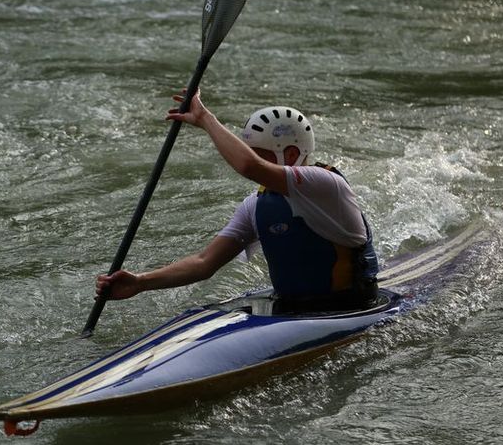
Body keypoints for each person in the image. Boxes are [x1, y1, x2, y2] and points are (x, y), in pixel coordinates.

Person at [95, 89, 380, 312]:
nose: (250, 156)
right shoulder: (256, 205)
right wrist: (141, 282)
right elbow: (203, 262)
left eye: (259, 152)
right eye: (250, 150)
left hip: (348, 307)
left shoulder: (325, 185)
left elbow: (248, 166)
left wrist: (206, 119)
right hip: (292, 309)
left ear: (291, 155)